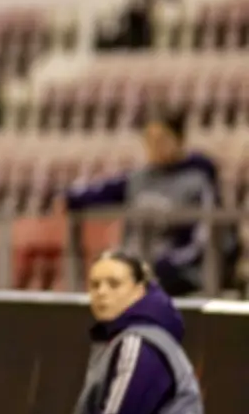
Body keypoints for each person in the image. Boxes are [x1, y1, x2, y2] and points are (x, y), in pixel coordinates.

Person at [14, 250, 204, 414]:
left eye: (114, 284)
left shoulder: (140, 342)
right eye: (95, 285)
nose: (102, 292)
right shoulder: (124, 337)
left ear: (139, 290)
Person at [60, 110, 239, 296]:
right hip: (138, 266)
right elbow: (98, 193)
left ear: (179, 140)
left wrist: (169, 263)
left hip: (179, 272)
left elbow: (204, 237)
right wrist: (71, 198)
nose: (155, 146)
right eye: (149, 140)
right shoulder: (139, 179)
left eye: (162, 139)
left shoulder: (198, 181)